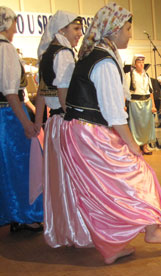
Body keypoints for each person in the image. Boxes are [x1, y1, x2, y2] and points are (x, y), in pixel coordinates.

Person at [61, 3, 161, 264]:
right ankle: (150, 229)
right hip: (88, 133)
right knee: (139, 173)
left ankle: (113, 245)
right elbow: (114, 113)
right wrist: (133, 145)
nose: (129, 34)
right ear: (113, 31)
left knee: (102, 191)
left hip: (80, 130)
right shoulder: (103, 62)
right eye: (127, 28)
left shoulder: (95, 56)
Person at [37, 11, 93, 247]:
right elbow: (62, 91)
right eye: (75, 30)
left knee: (61, 178)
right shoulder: (63, 54)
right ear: (62, 30)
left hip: (53, 124)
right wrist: (72, 119)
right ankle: (76, 229)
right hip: (64, 122)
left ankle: (65, 227)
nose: (80, 34)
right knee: (73, 177)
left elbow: (41, 91)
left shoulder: (48, 53)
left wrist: (38, 120)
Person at [0, 7, 44, 231]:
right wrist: (26, 122)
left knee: (7, 166)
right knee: (22, 165)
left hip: (6, 114)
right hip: (9, 115)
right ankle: (25, 216)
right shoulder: (5, 49)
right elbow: (10, 91)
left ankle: (13, 213)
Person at [126, 54, 157, 155]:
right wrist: (123, 105)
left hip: (147, 102)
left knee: (147, 125)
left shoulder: (146, 75)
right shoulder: (130, 75)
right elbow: (125, 92)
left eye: (143, 62)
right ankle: (136, 146)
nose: (141, 64)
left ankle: (145, 146)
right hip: (135, 102)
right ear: (135, 64)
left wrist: (153, 105)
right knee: (136, 126)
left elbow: (150, 91)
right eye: (139, 62)